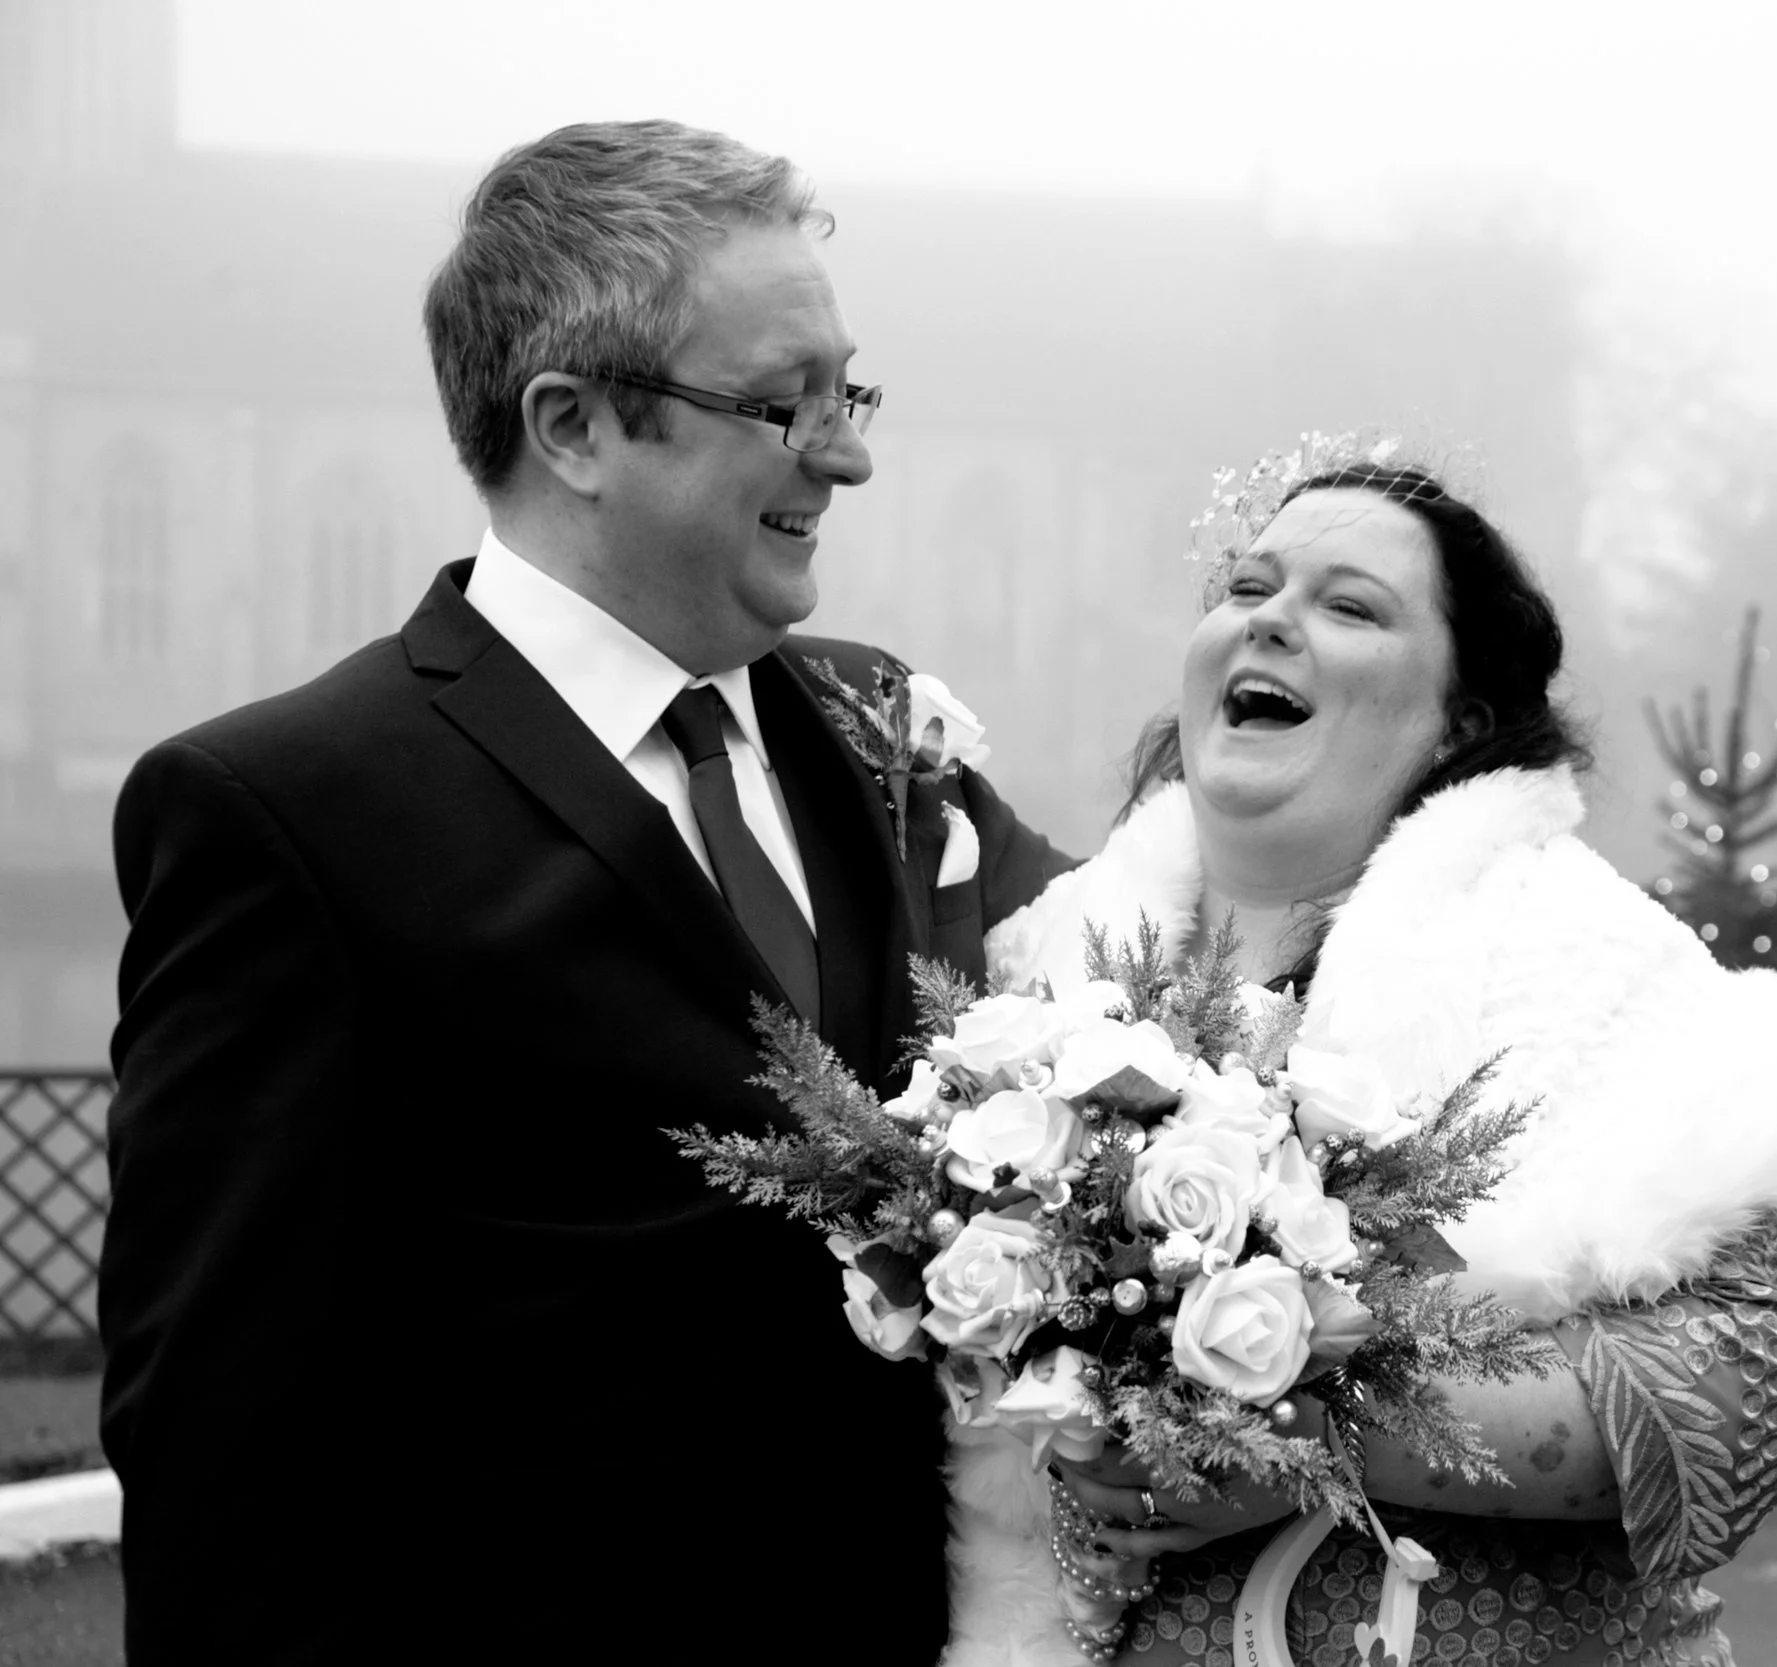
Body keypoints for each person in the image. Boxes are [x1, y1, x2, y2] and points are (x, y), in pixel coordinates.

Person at [100, 120, 1068, 1664]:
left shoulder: (883, 730)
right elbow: (223, 1445)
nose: (848, 450)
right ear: (573, 425)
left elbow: (1139, 979)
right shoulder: (286, 810)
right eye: (783, 402)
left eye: (848, 389)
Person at [944, 452, 1777, 1666]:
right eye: (1250, 587)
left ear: (1463, 718)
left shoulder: (1591, 966)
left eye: (1349, 605)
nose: (1270, 618)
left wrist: (1295, 1425)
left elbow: (1765, 1365)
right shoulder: (1039, 968)